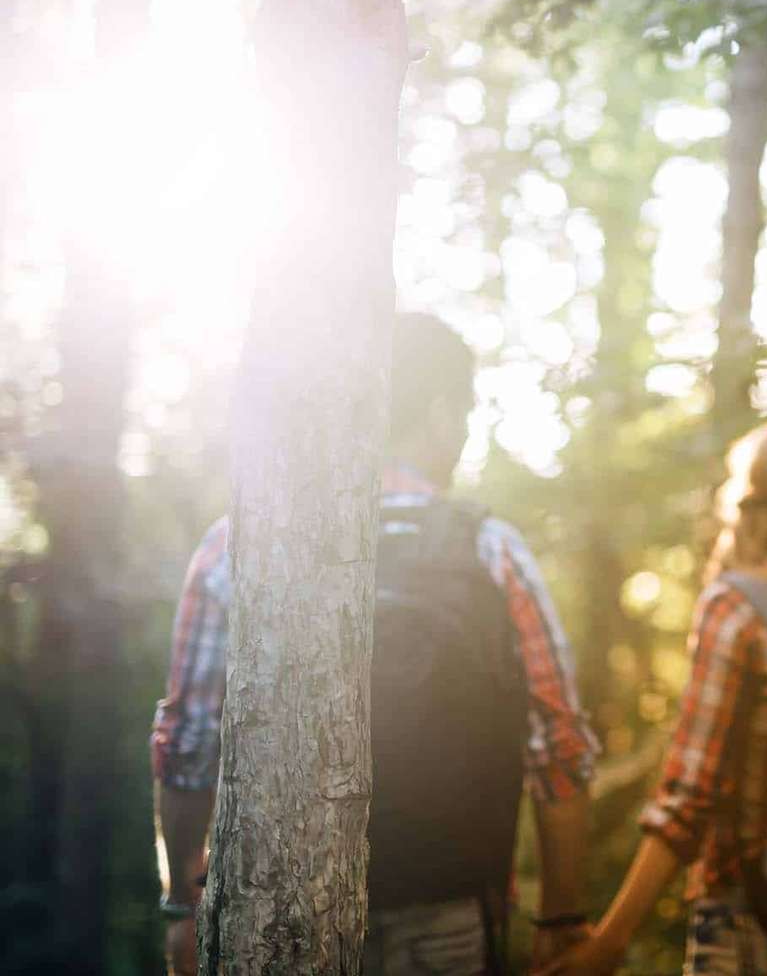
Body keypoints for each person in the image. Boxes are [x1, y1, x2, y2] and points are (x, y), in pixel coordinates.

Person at [150, 312, 599, 976]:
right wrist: (562, 918)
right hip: (448, 910)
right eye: (466, 412)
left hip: (275, 913)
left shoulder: (238, 541)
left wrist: (184, 907)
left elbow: (187, 744)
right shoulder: (490, 549)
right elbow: (559, 746)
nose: (466, 432)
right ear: (442, 410)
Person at [540, 418, 767, 976]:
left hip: (750, 915)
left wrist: (609, 940)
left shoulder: (738, 607)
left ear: (747, 496)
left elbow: (689, 797)